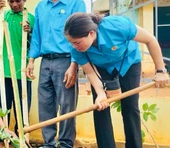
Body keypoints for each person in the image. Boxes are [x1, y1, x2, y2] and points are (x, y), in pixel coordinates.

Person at [64, 12, 169, 148]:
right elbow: (90, 72)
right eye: (71, 43)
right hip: (101, 69)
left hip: (128, 63)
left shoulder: (117, 26)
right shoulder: (76, 49)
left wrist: (160, 71)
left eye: (77, 42)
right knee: (100, 107)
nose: (74, 46)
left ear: (91, 33)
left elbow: (150, 40)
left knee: (130, 107)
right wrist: (101, 94)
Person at [26, 0, 86, 148]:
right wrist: (31, 60)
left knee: (67, 107)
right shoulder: (41, 7)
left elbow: (80, 37)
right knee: (45, 106)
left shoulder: (76, 3)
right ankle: (49, 144)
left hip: (66, 62)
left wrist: (74, 65)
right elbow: (37, 35)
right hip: (45, 63)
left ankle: (65, 144)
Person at [0, 0, 35, 131]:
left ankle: (19, 137)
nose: (14, 5)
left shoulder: (31, 18)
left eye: (18, 1)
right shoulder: (2, 16)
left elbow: (36, 44)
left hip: (22, 73)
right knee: (1, 108)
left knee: (22, 109)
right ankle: (1, 138)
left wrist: (30, 31)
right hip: (3, 71)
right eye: (11, 1)